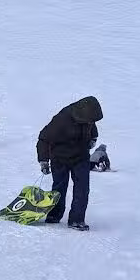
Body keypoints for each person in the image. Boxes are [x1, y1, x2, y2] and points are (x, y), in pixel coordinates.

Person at [36, 96, 103, 231]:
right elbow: (43, 138)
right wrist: (43, 160)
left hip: (81, 157)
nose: (91, 122)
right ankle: (54, 215)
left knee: (82, 189)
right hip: (60, 157)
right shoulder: (62, 119)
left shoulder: (87, 116)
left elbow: (93, 128)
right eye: (90, 120)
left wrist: (93, 139)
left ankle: (77, 220)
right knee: (59, 188)